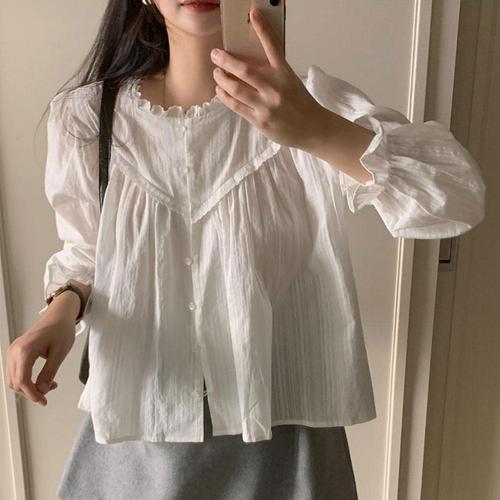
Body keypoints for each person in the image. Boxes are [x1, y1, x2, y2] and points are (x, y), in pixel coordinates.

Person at [5, 0, 486, 499]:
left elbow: (457, 197)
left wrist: (318, 129)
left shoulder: (308, 102)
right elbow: (88, 250)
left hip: (283, 430)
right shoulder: (87, 117)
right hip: (142, 425)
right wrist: (59, 312)